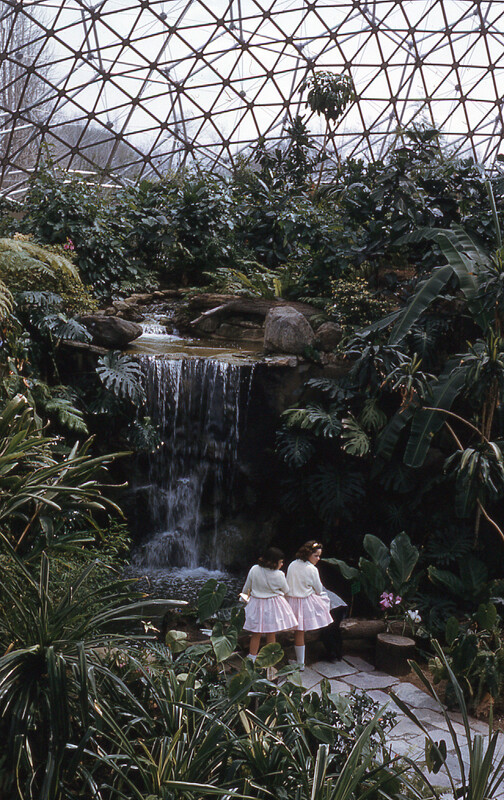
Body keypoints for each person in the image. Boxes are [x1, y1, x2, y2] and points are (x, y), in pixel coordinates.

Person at [286, 540, 337, 670]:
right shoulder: (312, 569)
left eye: (319, 556)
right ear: (308, 553)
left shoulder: (292, 564)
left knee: (299, 632)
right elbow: (319, 589)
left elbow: (288, 583)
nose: (318, 559)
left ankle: (300, 663)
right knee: (326, 598)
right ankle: (301, 663)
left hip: (292, 601)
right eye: (316, 555)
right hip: (304, 602)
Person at [242, 546, 298, 662]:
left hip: (256, 604)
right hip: (273, 605)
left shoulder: (254, 569)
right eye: (280, 562)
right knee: (271, 632)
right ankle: (270, 658)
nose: (282, 564)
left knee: (256, 633)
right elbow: (286, 590)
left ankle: (252, 657)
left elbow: (247, 587)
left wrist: (244, 599)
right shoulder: (279, 575)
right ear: (274, 562)